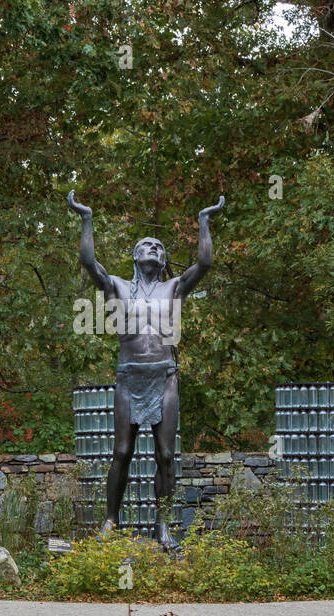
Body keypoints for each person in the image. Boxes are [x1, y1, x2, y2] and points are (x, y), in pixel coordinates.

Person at [67, 189, 225, 549]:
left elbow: (204, 264)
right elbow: (90, 263)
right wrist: (86, 218)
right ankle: (111, 520)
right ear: (135, 255)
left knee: (166, 455)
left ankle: (163, 524)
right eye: (145, 244)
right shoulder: (118, 288)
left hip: (164, 377)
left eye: (158, 245)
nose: (152, 247)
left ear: (164, 258)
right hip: (129, 376)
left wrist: (204, 220)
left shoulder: (174, 288)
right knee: (121, 451)